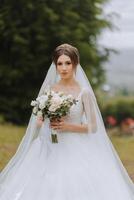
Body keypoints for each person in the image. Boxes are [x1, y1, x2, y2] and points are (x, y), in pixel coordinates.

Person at [0, 43, 134, 200]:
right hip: (48, 144)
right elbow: (38, 121)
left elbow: (93, 126)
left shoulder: (84, 93)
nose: (63, 68)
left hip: (74, 146)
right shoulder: (49, 90)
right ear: (55, 65)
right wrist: (42, 121)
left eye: (68, 63)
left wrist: (68, 126)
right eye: (60, 63)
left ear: (75, 64)